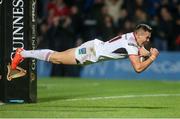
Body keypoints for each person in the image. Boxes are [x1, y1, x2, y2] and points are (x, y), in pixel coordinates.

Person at [11, 24, 159, 73]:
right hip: (90, 53)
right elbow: (138, 68)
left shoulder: (132, 37)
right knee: (57, 58)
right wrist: (152, 57)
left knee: (58, 57)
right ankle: (22, 53)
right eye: (146, 37)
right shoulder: (131, 44)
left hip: (93, 47)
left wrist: (147, 53)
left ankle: (23, 53)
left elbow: (141, 51)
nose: (148, 40)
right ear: (139, 35)